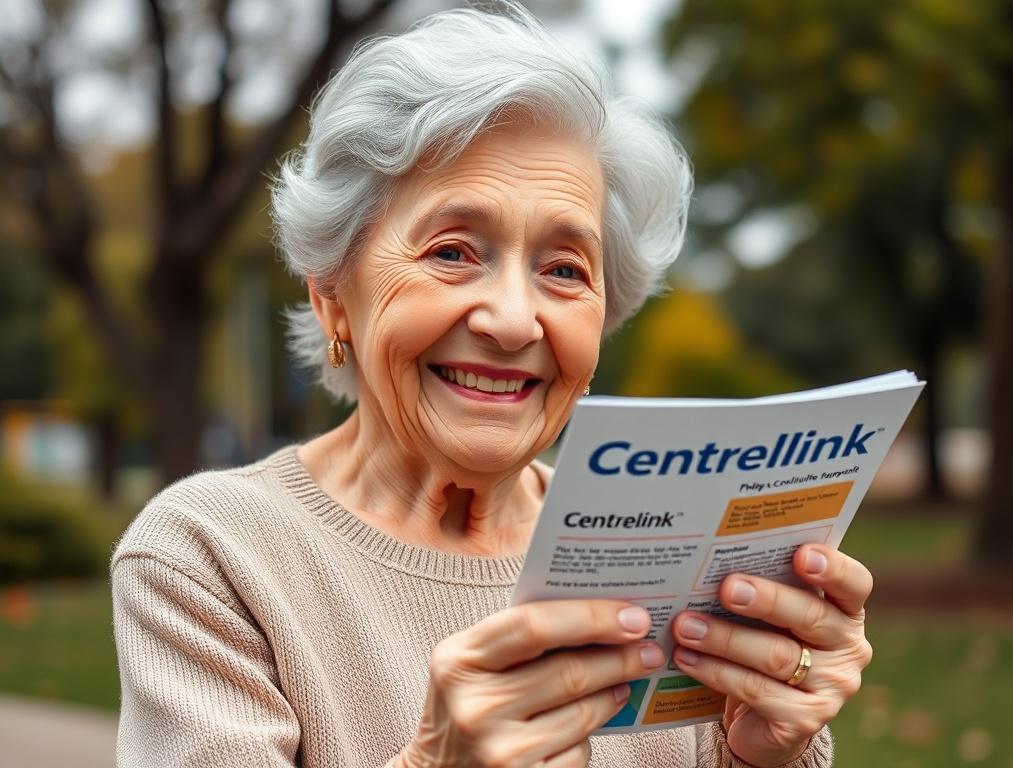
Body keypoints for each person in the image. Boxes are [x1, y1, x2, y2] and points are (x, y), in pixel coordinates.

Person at [110, 3, 871, 767]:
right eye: (452, 252)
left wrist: (763, 756)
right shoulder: (208, 556)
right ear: (332, 292)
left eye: (564, 270)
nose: (513, 321)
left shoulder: (671, 552)